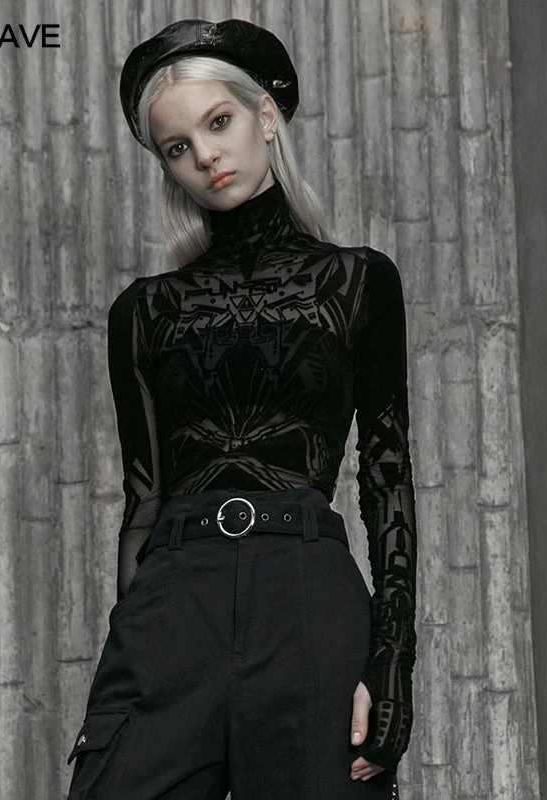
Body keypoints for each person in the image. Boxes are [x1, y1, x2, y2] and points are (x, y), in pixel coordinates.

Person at [66, 18, 417, 800]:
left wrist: (393, 661)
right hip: (175, 598)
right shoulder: (144, 311)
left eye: (217, 122)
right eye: (177, 146)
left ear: (265, 116)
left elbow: (387, 474)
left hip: (306, 594)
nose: (205, 156)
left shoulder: (359, 281)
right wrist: (138, 648)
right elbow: (144, 499)